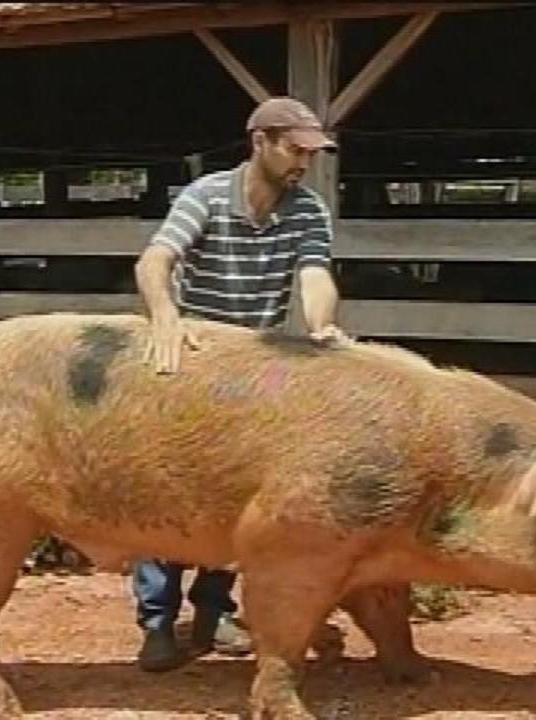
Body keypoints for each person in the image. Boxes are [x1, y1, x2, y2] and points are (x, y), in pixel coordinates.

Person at [130, 96, 347, 672]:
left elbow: (314, 272)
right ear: (261, 142)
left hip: (258, 364)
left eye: (311, 151)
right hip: (194, 358)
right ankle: (156, 620)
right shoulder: (205, 195)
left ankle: (212, 613)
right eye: (295, 148)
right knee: (168, 489)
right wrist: (165, 316)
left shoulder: (308, 210)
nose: (304, 161)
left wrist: (321, 325)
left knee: (241, 495)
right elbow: (155, 261)